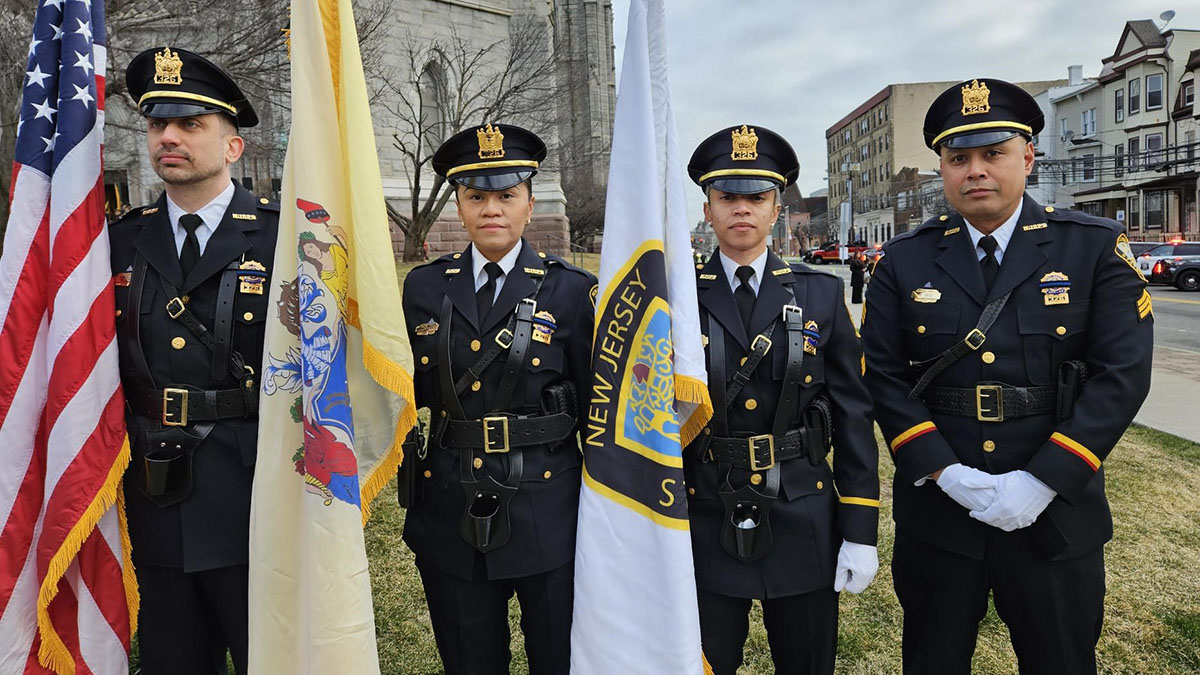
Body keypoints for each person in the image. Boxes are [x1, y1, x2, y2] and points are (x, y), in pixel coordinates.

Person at [861, 78, 1153, 674]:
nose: (976, 170)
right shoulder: (903, 259)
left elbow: (1121, 375)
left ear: (1028, 157)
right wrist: (944, 473)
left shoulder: (1092, 248)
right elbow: (883, 375)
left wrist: (1044, 481)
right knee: (933, 660)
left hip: (1056, 513)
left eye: (993, 153)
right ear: (942, 169)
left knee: (1061, 660)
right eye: (958, 158)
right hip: (942, 515)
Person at [398, 123, 597, 674]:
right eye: (476, 196)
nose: (491, 209)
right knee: (469, 658)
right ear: (459, 207)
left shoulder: (571, 290)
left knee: (557, 657)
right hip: (450, 501)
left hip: (546, 503)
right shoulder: (424, 288)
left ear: (530, 205)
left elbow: (595, 409)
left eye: (506, 195)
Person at [684, 124, 880, 675]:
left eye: (757, 197)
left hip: (801, 508)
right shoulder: (677, 295)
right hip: (704, 506)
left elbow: (853, 414)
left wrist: (860, 529)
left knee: (807, 661)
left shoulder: (820, 292)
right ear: (708, 208)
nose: (741, 209)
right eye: (727, 197)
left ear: (777, 209)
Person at [110, 47, 278, 674]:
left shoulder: (281, 238)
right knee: (172, 659)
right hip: (152, 490)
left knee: (267, 656)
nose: (168, 138)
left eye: (190, 124)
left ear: (232, 147)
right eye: (158, 124)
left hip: (252, 490)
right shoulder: (119, 241)